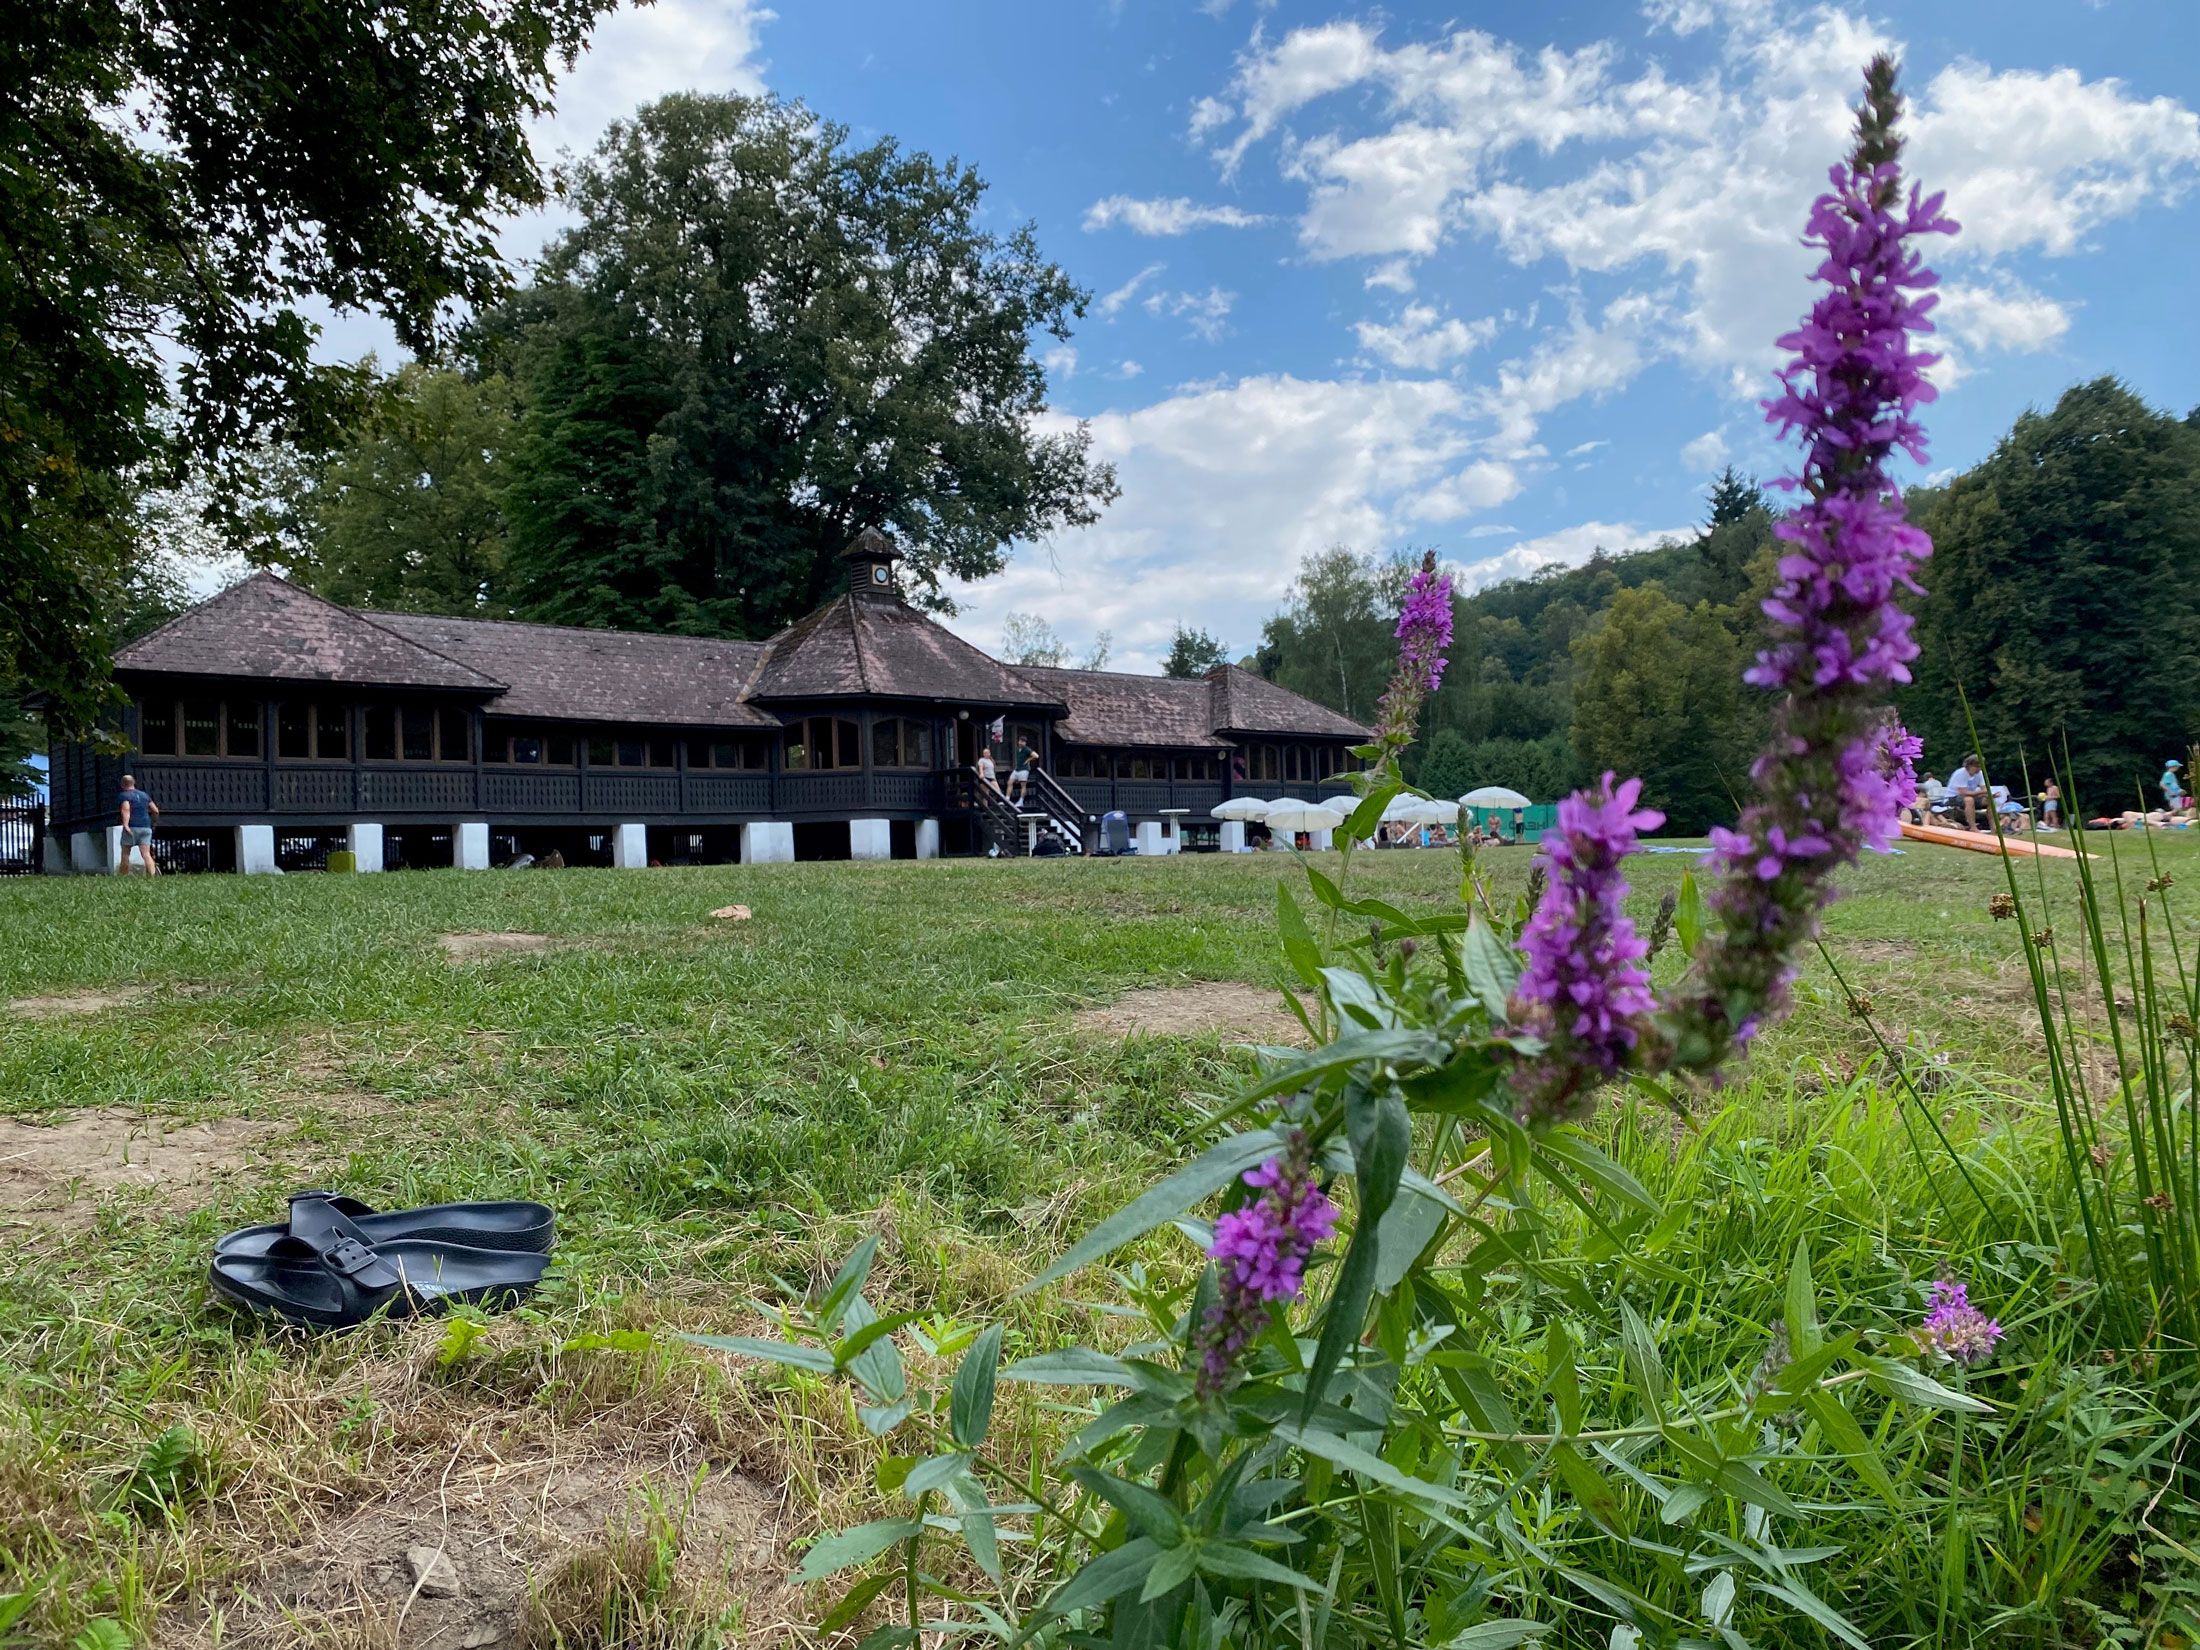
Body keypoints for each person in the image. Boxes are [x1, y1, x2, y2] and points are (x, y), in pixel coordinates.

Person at [115, 774, 159, 876]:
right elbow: (155, 810)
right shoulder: (144, 795)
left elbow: (126, 809)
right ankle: (152, 876)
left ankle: (123, 877)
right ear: (134, 782)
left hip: (132, 827)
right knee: (146, 854)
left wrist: (125, 825)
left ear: (122, 784)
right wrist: (153, 822)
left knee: (125, 854)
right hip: (145, 827)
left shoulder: (124, 796)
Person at [1945, 754, 1989, 830]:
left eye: (1980, 766)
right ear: (1969, 765)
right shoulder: (1960, 773)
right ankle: (1973, 827)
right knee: (1969, 800)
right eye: (1977, 766)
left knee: (1989, 800)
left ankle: (1993, 828)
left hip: (1970, 795)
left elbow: (1984, 789)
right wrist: (1981, 792)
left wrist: (1988, 795)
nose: (1979, 768)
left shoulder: (1980, 773)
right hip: (1953, 797)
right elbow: (1963, 792)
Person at [1008, 736, 1033, 806]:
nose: (1021, 743)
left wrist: (1028, 760)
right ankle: (1007, 798)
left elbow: (1036, 756)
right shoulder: (1018, 749)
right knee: (1010, 782)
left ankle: (1021, 801)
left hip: (1024, 769)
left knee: (1023, 785)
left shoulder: (1027, 749)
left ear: (1025, 743)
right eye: (1020, 741)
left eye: (1022, 742)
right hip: (1017, 769)